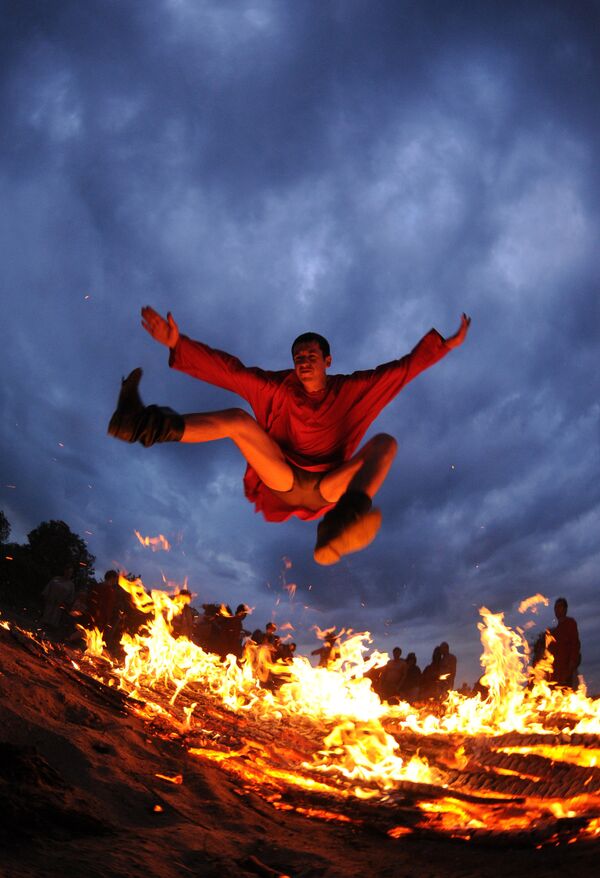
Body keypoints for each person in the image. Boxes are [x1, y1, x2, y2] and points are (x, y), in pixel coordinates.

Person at [109, 307, 470, 564]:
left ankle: (343, 521)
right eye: (298, 356)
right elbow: (230, 372)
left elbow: (401, 371)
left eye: (311, 354)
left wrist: (444, 346)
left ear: (328, 360)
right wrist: (178, 343)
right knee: (237, 419)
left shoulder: (353, 389)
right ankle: (139, 424)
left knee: (385, 443)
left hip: (329, 486)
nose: (303, 361)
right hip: (283, 476)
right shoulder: (278, 388)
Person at [549, 597, 581, 689]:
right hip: (557, 672)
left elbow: (575, 643)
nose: (557, 610)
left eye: (560, 607)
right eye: (555, 607)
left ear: (565, 609)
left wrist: (572, 662)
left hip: (569, 668)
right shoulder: (555, 632)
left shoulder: (570, 623)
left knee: (570, 694)